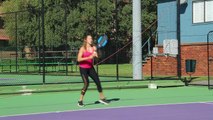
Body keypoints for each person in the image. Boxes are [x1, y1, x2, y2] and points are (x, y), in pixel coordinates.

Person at [77, 34, 109, 107]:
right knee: (86, 84)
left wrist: (96, 55)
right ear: (85, 40)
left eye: (91, 38)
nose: (91, 40)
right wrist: (89, 57)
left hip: (90, 68)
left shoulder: (93, 48)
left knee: (98, 82)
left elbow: (97, 58)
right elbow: (78, 59)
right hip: (83, 68)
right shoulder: (82, 49)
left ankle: (102, 98)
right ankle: (80, 100)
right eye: (89, 38)